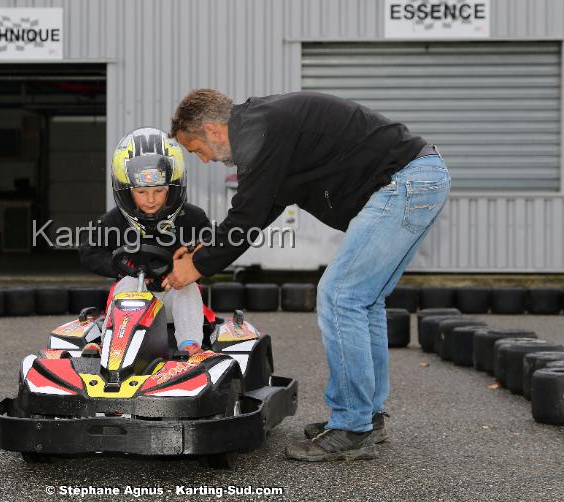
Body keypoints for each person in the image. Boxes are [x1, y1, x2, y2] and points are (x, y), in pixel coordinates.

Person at [163, 89, 450, 461]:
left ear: (214, 130)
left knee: (339, 296)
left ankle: (352, 427)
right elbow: (263, 207)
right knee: (364, 300)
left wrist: (198, 268)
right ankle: (366, 417)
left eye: (196, 148)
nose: (202, 160)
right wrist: (204, 250)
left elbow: (247, 215)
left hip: (406, 182)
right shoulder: (263, 128)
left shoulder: (261, 130)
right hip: (417, 178)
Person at [79, 127, 210, 356]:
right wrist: (123, 267)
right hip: (135, 298)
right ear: (127, 190)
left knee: (187, 285)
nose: (151, 200)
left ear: (172, 188)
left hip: (174, 301)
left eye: (159, 191)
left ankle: (191, 347)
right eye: (141, 191)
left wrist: (191, 263)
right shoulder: (115, 220)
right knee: (128, 284)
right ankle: (113, 348)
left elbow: (214, 248)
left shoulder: (192, 218)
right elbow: (89, 252)